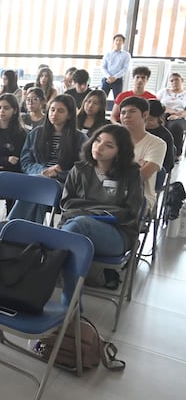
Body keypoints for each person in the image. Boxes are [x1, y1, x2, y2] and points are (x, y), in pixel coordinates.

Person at [59, 124, 143, 289]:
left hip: (118, 234)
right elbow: (66, 204)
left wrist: (87, 211)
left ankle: (62, 288)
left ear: (120, 151)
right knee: (76, 225)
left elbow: (131, 212)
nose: (99, 147)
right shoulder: (80, 169)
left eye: (109, 145)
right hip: (76, 226)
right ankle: (73, 302)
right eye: (97, 140)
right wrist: (98, 211)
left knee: (79, 224)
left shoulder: (131, 174)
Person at [15, 94, 87, 221]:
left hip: (64, 183)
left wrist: (58, 173)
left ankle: (19, 226)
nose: (54, 114)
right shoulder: (36, 133)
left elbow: (84, 169)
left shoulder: (80, 138)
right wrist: (43, 171)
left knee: (39, 187)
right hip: (38, 177)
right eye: (52, 110)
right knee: (38, 185)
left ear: (69, 115)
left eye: (60, 111)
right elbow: (26, 162)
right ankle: (31, 228)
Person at [119, 96, 166, 214]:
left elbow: (142, 175)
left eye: (132, 111)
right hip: (107, 193)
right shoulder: (113, 139)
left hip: (139, 197)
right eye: (123, 112)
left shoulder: (157, 144)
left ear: (145, 115)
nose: (126, 116)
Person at [158, 72, 186, 159]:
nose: (174, 82)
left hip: (180, 116)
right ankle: (158, 149)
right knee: (156, 124)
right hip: (162, 113)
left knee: (175, 126)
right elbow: (157, 104)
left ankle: (176, 153)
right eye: (172, 81)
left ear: (182, 80)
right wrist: (171, 111)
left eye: (176, 80)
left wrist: (178, 116)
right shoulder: (164, 91)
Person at [145, 100, 175, 173]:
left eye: (150, 119)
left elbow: (168, 164)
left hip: (156, 170)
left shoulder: (165, 135)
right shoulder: (137, 130)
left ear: (159, 118)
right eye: (144, 119)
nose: (146, 122)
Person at [101, 33, 131, 100]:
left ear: (123, 42)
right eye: (116, 40)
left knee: (118, 99)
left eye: (120, 40)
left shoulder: (126, 55)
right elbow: (103, 67)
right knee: (101, 98)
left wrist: (115, 77)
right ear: (113, 42)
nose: (118, 42)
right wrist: (108, 76)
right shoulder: (107, 54)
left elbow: (125, 68)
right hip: (107, 79)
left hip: (118, 80)